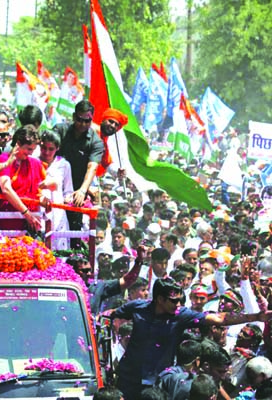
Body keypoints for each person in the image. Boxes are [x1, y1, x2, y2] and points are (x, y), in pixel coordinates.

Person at [110, 277, 272, 399]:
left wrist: (255, 316)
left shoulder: (180, 315)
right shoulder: (137, 307)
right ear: (160, 299)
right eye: (173, 301)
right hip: (128, 376)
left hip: (157, 381)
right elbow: (111, 316)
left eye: (180, 300)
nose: (178, 305)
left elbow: (219, 319)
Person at [54, 100, 104, 246]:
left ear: (91, 119)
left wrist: (82, 190)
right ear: (74, 116)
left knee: (73, 232)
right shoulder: (60, 130)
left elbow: (92, 167)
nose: (83, 124)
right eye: (80, 120)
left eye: (87, 121)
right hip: (54, 187)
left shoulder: (95, 142)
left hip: (76, 190)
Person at [0, 125, 50, 232]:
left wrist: (43, 199)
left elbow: (39, 190)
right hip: (8, 220)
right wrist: (26, 214)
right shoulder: (4, 159)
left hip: (30, 222)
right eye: (28, 149)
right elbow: (6, 189)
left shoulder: (34, 163)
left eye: (33, 150)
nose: (31, 153)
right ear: (18, 144)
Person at [39, 130, 74, 250]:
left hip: (57, 211)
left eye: (51, 149)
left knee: (58, 248)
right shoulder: (33, 161)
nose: (47, 152)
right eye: (44, 148)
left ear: (57, 148)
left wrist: (69, 198)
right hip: (38, 209)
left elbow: (68, 190)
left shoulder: (64, 165)